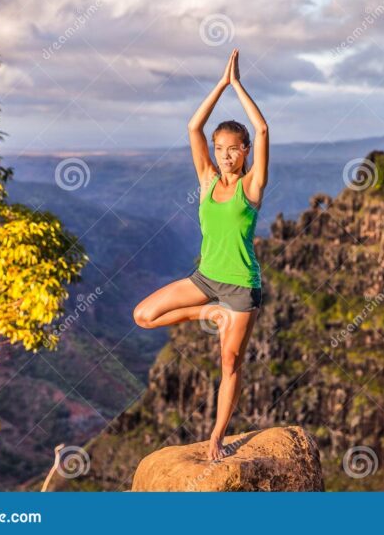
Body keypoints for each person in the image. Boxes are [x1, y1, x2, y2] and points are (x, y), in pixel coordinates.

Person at [133, 48, 269, 461]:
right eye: (221, 147)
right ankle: (208, 314)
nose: (227, 155)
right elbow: (193, 126)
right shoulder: (208, 179)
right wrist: (221, 84)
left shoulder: (252, 188)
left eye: (234, 148)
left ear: (244, 151)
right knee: (143, 316)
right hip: (205, 279)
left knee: (229, 364)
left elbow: (262, 129)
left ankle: (216, 437)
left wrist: (239, 87)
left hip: (242, 287)